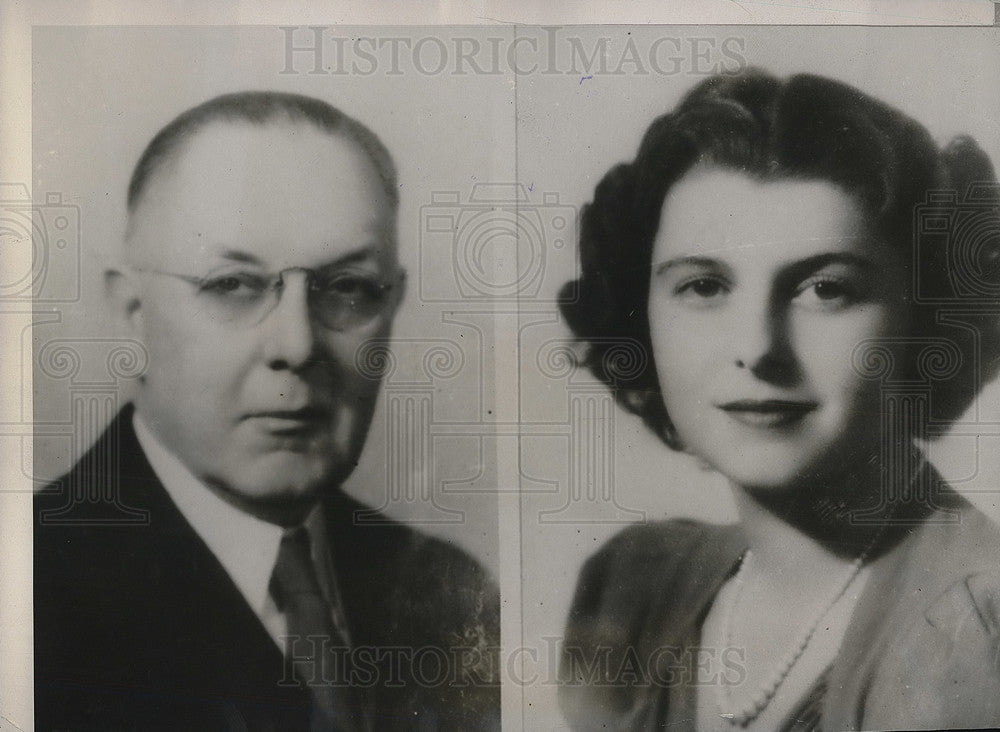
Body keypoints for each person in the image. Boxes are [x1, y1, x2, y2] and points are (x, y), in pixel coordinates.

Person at [34, 91, 499, 731]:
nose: (298, 344)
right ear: (132, 317)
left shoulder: (446, 595)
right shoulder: (28, 594)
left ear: (393, 308)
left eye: (349, 289)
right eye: (233, 284)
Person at [557, 70, 1000, 731]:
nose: (758, 347)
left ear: (926, 320)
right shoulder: (627, 593)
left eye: (825, 289)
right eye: (704, 286)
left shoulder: (974, 627)